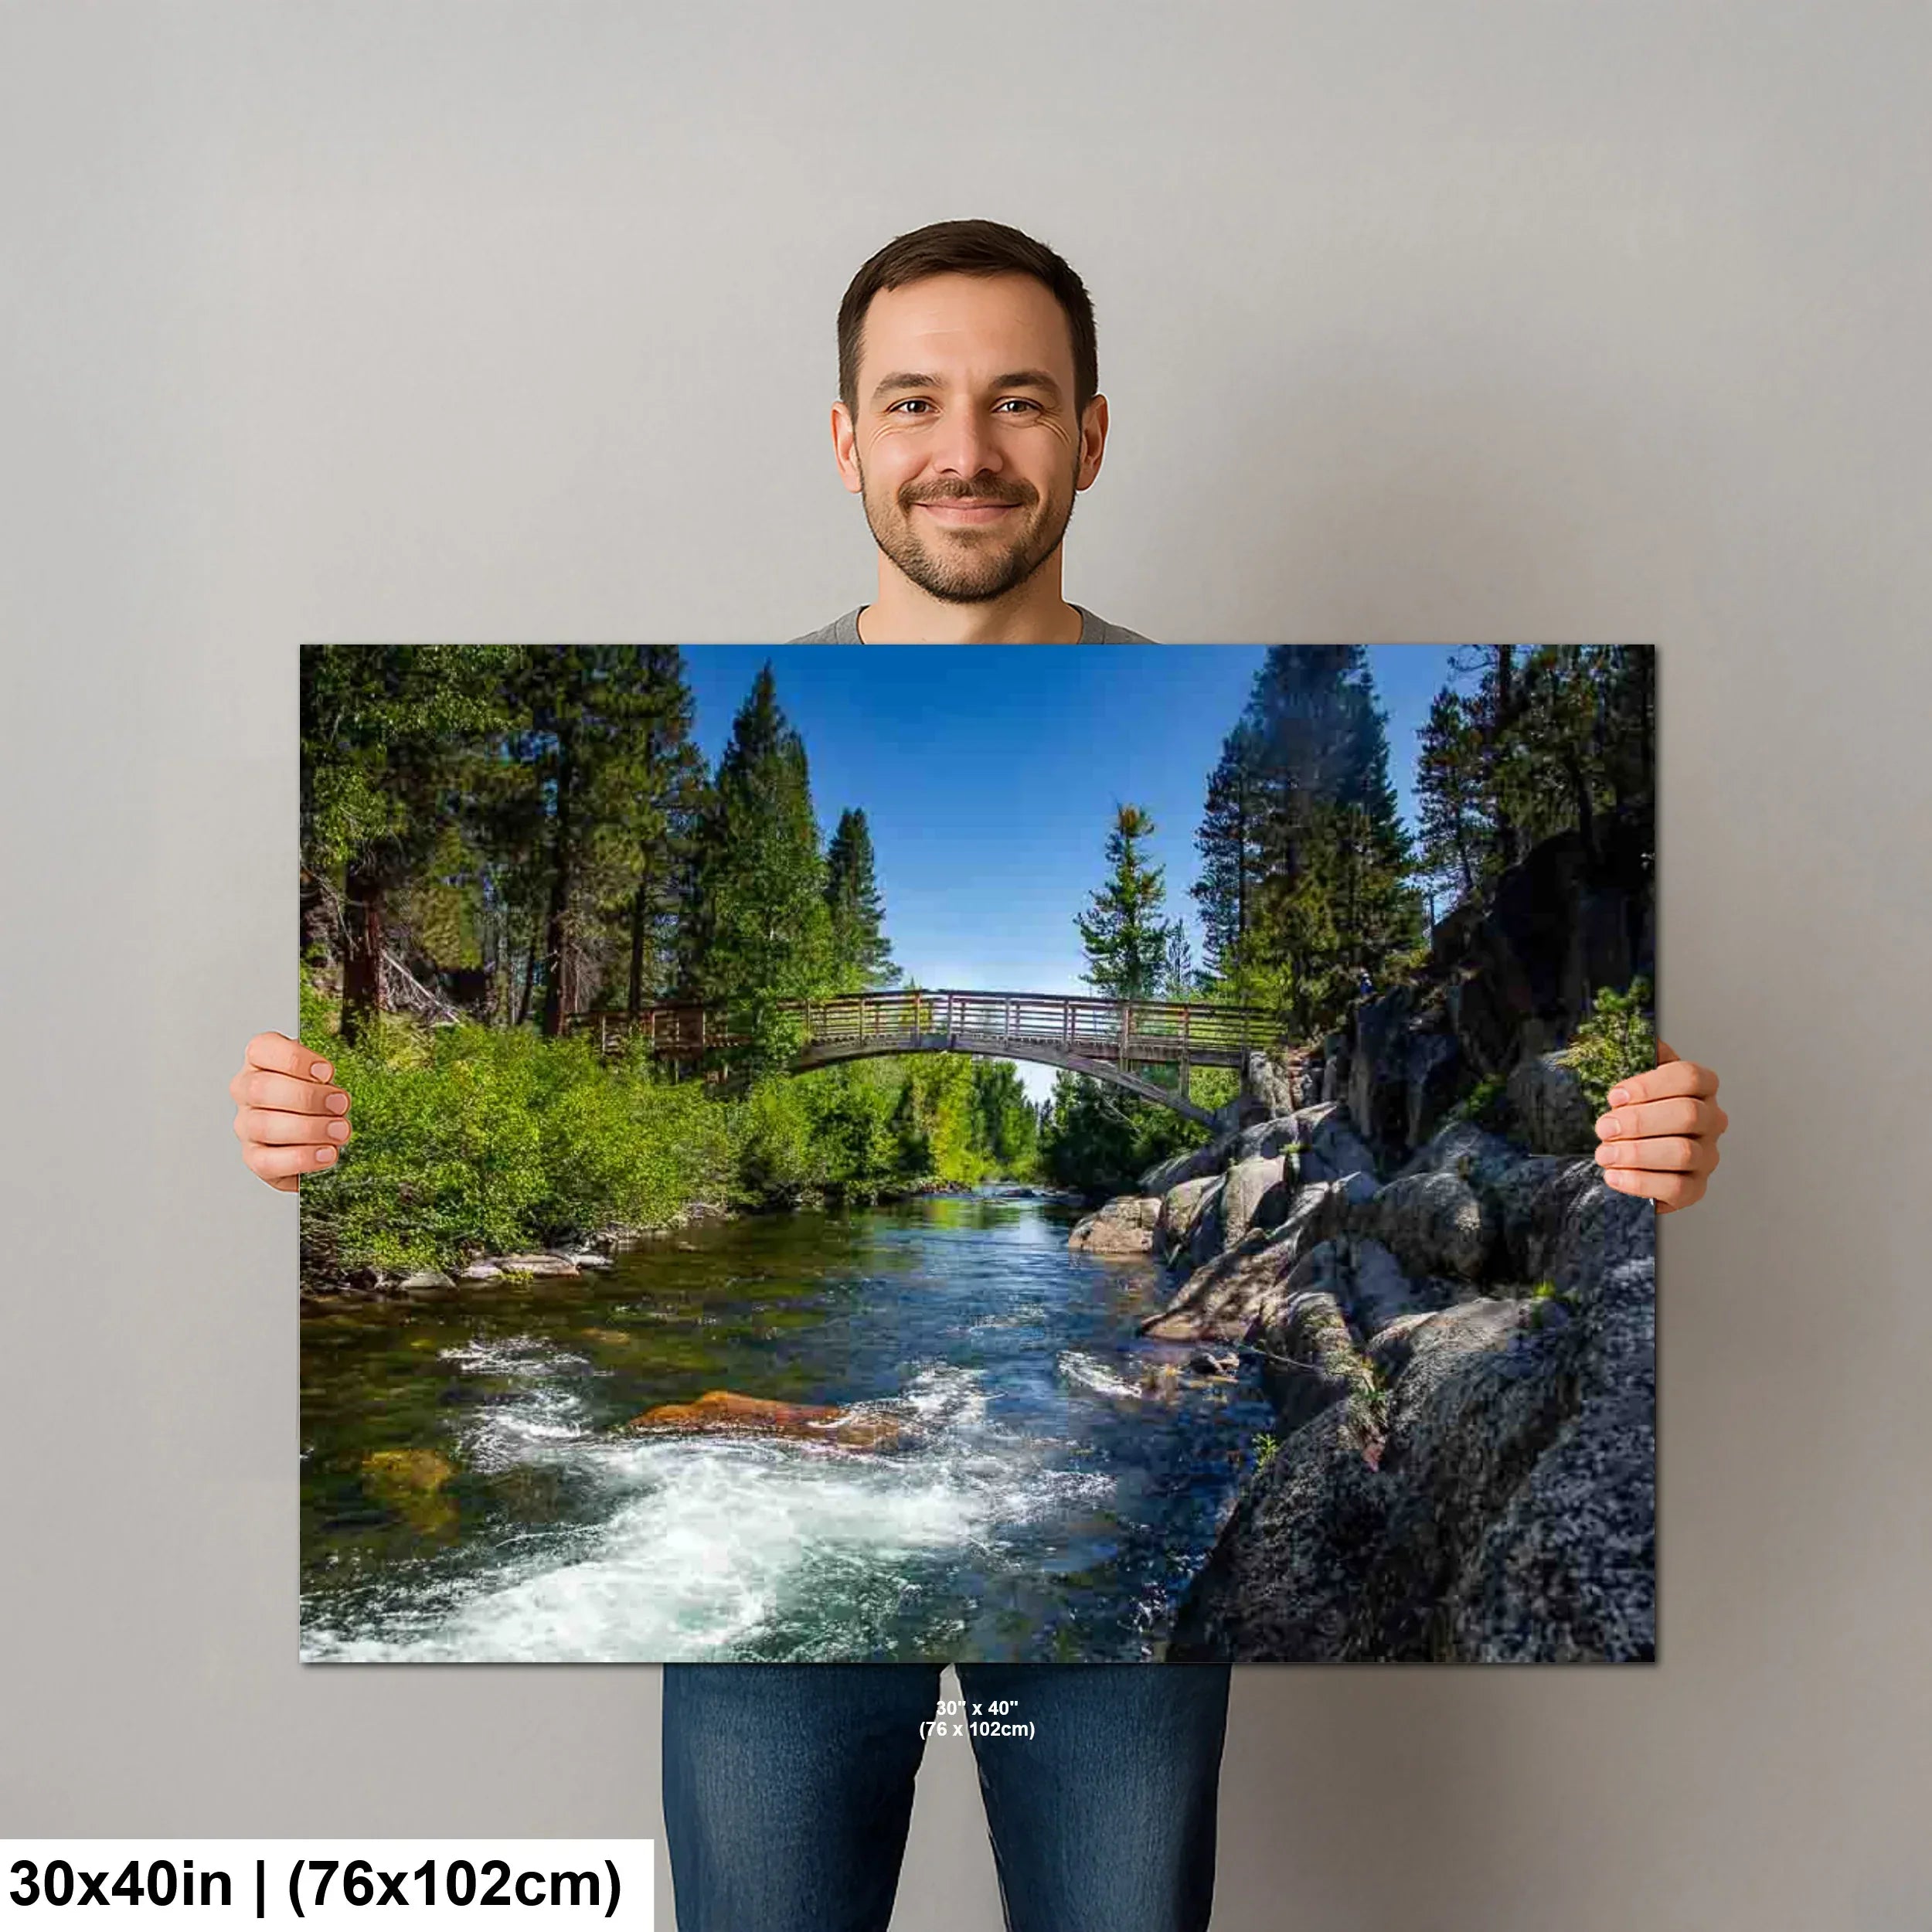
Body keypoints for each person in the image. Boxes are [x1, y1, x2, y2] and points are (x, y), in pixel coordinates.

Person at [240, 220, 1731, 1931]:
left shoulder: (1158, 700)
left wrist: (1643, 1133)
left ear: (1088, 437)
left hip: (1063, 1594)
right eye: (913, 401)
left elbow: (1611, 1132)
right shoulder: (774, 698)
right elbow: (308, 1116)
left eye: (1017, 401)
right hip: (801, 1623)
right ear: (846, 439)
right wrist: (313, 1128)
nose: (963, 449)